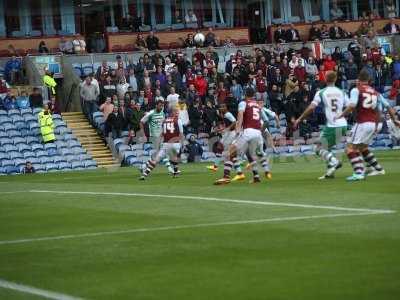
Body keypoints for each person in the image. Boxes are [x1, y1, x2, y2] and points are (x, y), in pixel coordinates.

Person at [336, 70, 400, 181]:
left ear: (358, 80)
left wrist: (341, 115)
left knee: (350, 149)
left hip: (364, 122)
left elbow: (351, 106)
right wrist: (394, 119)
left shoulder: (356, 90)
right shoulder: (376, 92)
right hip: (377, 123)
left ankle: (359, 172)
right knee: (363, 147)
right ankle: (378, 169)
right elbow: (388, 106)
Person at [294, 71, 347, 179]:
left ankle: (335, 162)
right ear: (336, 79)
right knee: (327, 148)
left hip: (333, 126)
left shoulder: (322, 92)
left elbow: (311, 108)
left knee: (318, 148)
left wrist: (300, 118)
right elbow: (351, 106)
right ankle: (330, 173)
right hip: (343, 125)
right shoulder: (342, 92)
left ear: (325, 79)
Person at [214, 88, 266, 185]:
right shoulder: (257, 105)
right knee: (249, 154)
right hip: (258, 133)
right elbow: (263, 120)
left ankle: (226, 177)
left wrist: (238, 129)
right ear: (254, 95)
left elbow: (240, 115)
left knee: (229, 151)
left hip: (247, 132)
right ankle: (256, 177)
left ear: (245, 94)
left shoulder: (243, 103)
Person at [140, 107, 184, 180]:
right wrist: (182, 143)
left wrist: (159, 142)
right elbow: (181, 133)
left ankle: (144, 175)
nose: (177, 113)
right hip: (175, 143)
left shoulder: (164, 121)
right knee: (175, 158)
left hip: (166, 144)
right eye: (176, 112)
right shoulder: (178, 120)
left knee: (156, 159)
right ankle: (175, 173)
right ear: (172, 113)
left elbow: (162, 134)